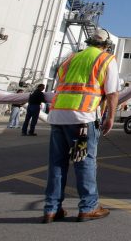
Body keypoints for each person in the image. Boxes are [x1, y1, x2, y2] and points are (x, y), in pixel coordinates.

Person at [42, 28, 119, 223]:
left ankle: (51, 209)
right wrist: (110, 117)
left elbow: (59, 84)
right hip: (82, 119)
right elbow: (112, 93)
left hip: (58, 116)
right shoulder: (106, 59)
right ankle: (88, 207)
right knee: (84, 162)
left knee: (57, 164)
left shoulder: (69, 59)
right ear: (106, 45)